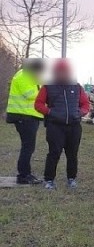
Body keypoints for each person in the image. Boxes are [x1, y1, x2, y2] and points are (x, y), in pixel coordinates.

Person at [34, 59, 90, 190]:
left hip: (74, 126)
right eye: (60, 72)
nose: (62, 74)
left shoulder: (77, 87)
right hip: (55, 126)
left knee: (72, 154)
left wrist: (80, 112)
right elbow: (38, 104)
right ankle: (49, 180)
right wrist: (49, 112)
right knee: (54, 153)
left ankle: (72, 179)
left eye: (65, 72)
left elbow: (86, 104)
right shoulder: (48, 87)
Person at [6, 57, 45, 185]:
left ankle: (25, 173)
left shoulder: (28, 76)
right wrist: (41, 88)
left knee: (28, 146)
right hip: (23, 117)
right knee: (27, 147)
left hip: (27, 117)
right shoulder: (23, 76)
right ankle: (23, 175)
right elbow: (30, 94)